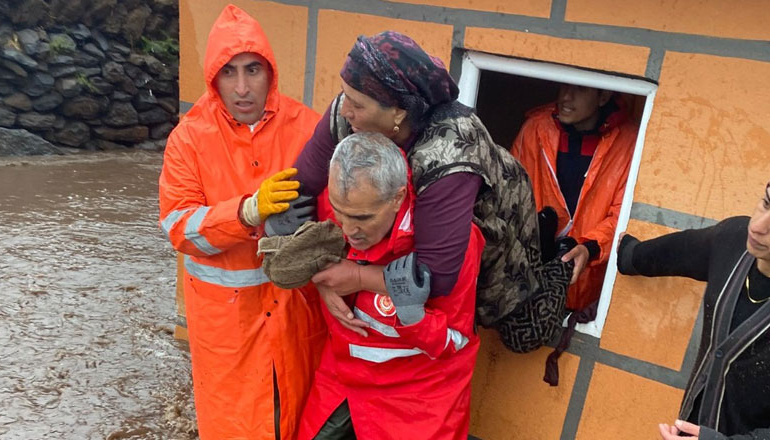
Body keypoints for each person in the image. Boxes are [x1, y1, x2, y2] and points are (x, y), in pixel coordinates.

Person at [293, 31, 568, 347]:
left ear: (398, 112)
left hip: (498, 229)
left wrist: (353, 277)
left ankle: (558, 264)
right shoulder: (350, 115)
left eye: (356, 104)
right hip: (410, 246)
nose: (344, 110)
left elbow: (434, 277)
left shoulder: (451, 152)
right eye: (344, 97)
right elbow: (295, 191)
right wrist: (322, 274)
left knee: (518, 325)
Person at [157, 5, 324, 439]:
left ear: (271, 71)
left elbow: (340, 217)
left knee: (296, 417)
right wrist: (248, 212)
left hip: (297, 313)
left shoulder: (308, 127)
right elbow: (180, 228)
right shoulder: (188, 139)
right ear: (213, 78)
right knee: (233, 426)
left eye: (253, 69)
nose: (243, 87)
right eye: (229, 73)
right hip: (225, 325)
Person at [296, 132, 483, 440]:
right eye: (338, 212)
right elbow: (290, 244)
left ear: (397, 197)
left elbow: (457, 341)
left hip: (420, 394)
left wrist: (413, 317)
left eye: (362, 218)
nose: (348, 229)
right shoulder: (345, 199)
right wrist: (324, 283)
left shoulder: (450, 240)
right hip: (344, 376)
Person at [617, 153, 770, 439]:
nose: (759, 225)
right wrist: (624, 253)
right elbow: (675, 252)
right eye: (765, 203)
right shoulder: (733, 241)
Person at [510, 83, 638, 312]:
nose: (566, 97)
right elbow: (509, 195)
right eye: (563, 86)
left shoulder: (629, 143)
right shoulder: (536, 129)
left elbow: (623, 215)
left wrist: (589, 248)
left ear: (603, 96)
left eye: (580, 89)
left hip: (588, 288)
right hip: (529, 278)